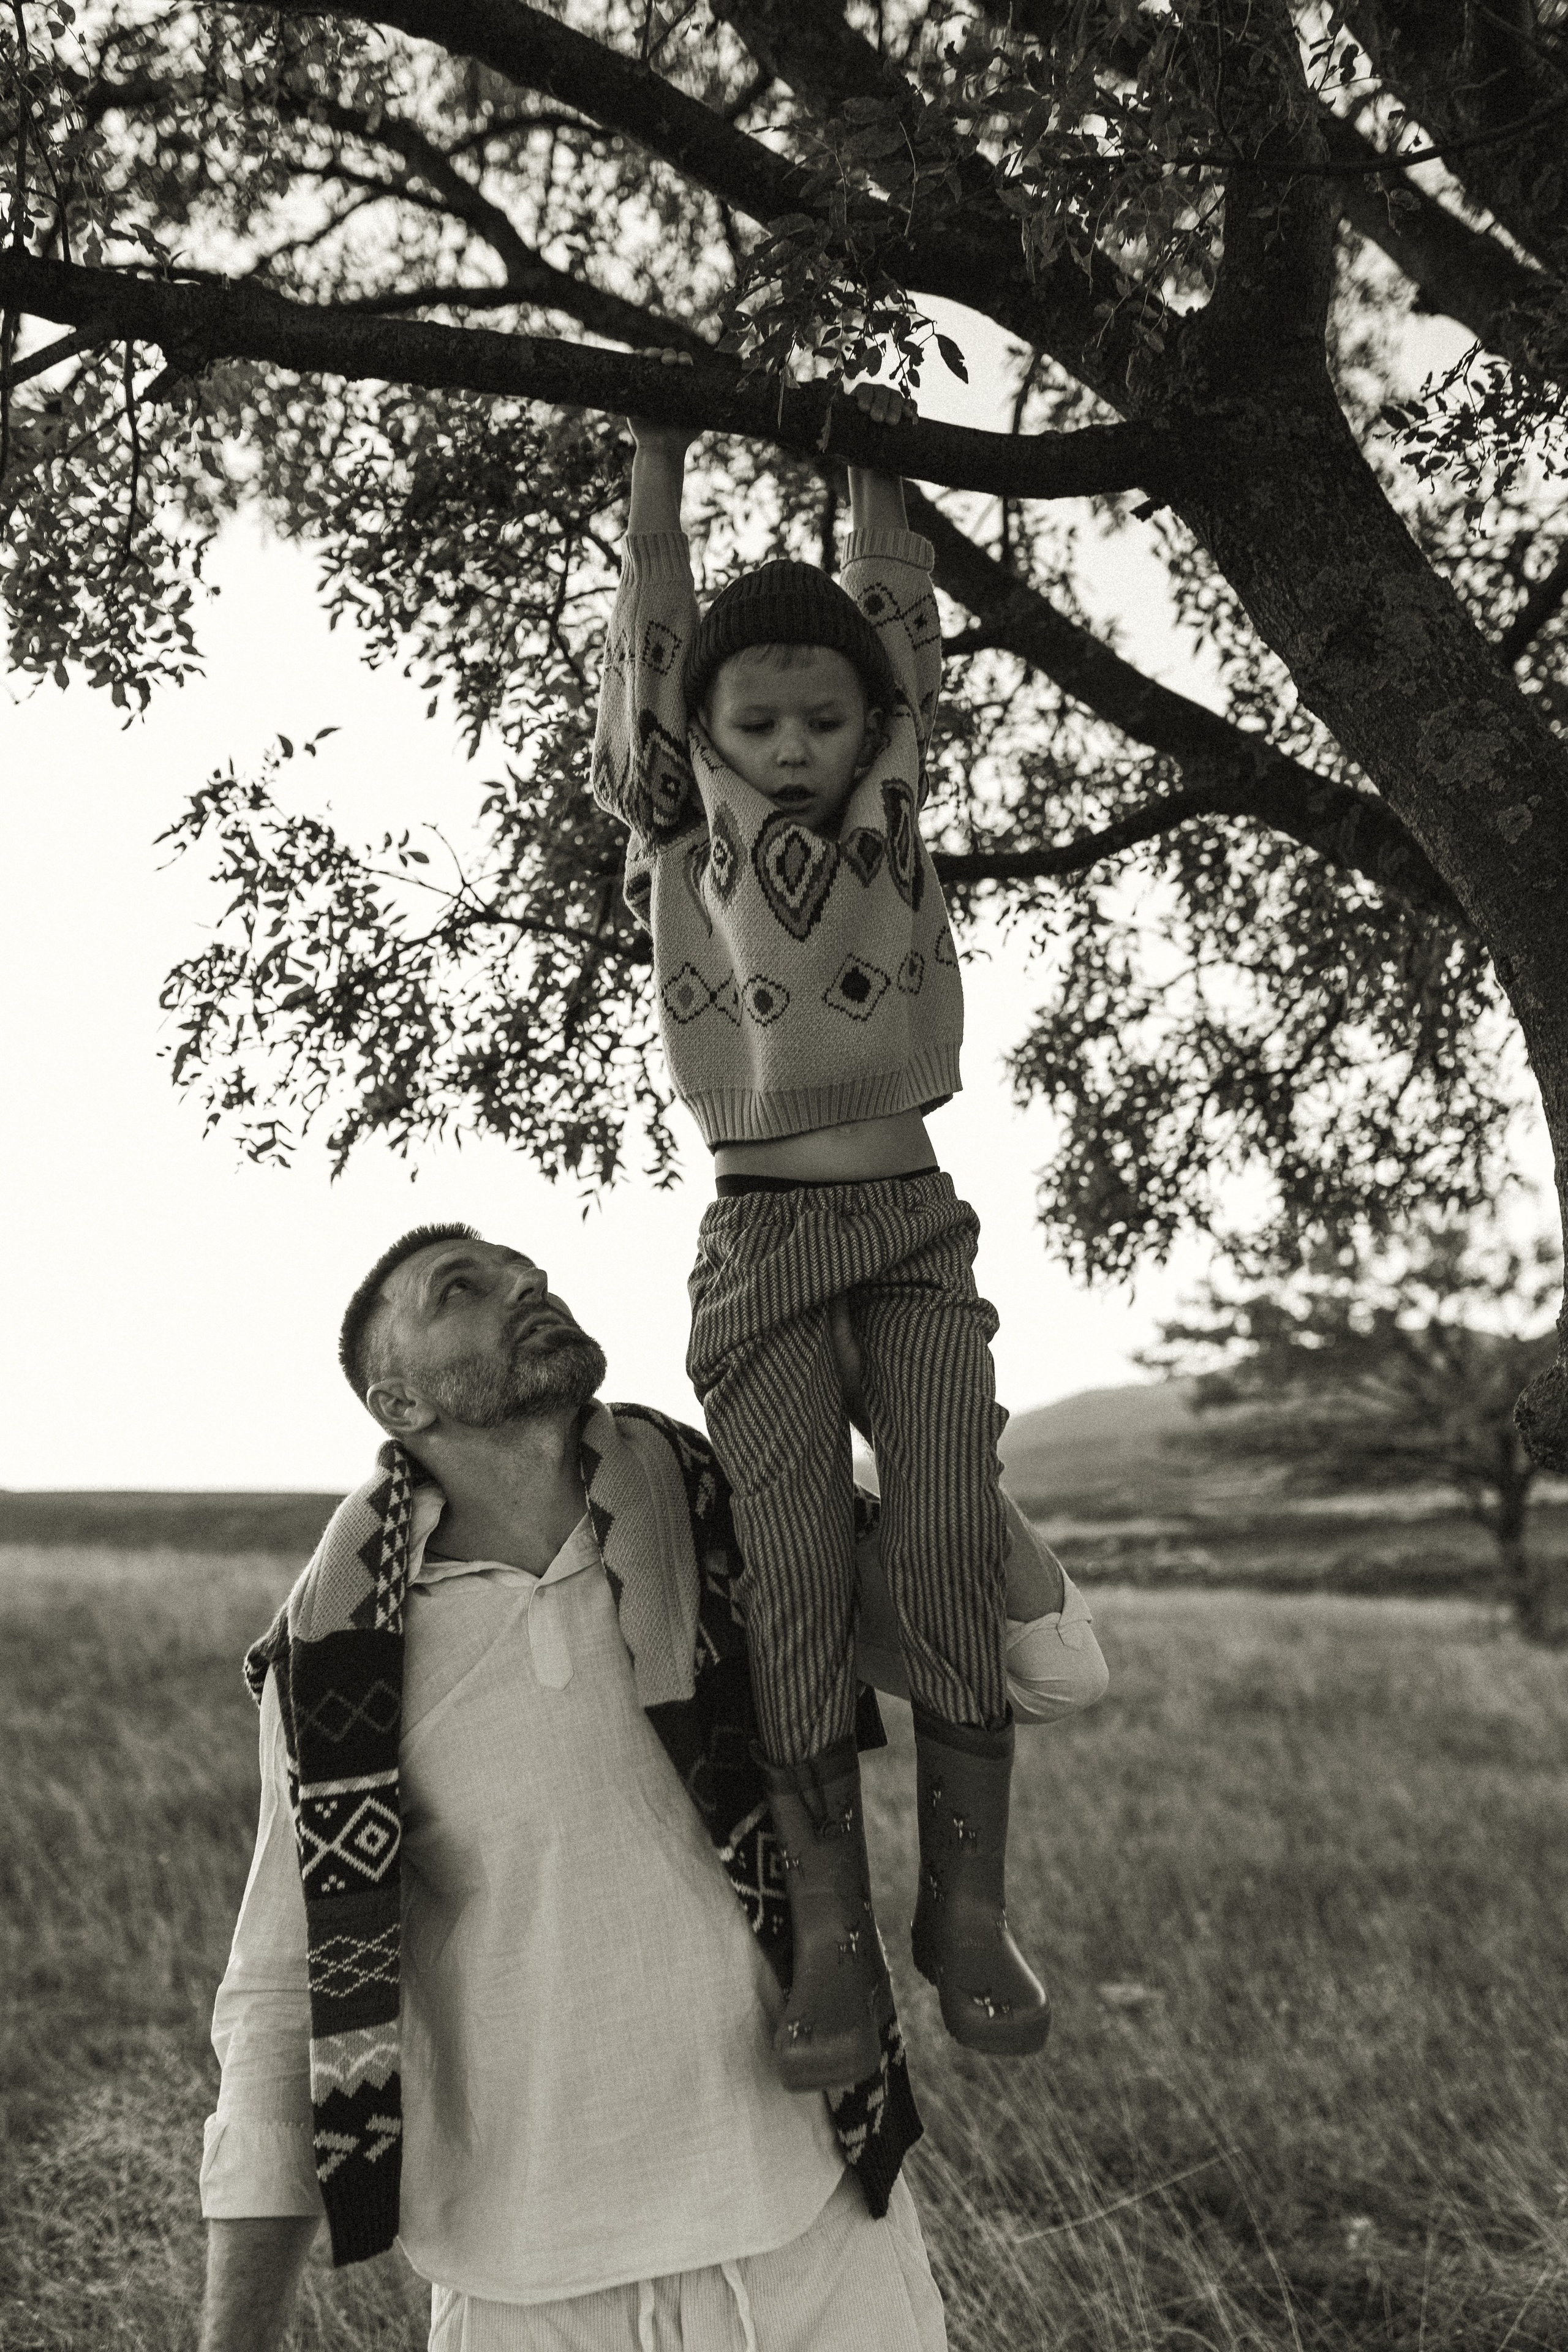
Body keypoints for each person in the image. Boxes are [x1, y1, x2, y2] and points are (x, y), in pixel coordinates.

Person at [198, 1226, 1107, 2352]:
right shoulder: (338, 1656)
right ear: (400, 1403)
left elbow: (1052, 1670)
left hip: (816, 2237)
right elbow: (282, 1990)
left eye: (530, 1273)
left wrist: (923, 1435)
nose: (525, 1288)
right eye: (463, 1291)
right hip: (525, 2290)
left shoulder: (757, 1526)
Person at [590, 364, 1055, 2090]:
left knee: (942, 1534)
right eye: (759, 724)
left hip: (917, 1229)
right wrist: (655, 470)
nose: (794, 747)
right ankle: (836, 1937)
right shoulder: (677, 825)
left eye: (824, 721)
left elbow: (896, 609)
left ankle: (970, 1905)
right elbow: (650, 644)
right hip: (761, 1243)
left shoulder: (893, 808)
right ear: (708, 732)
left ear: (876, 726)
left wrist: (877, 471)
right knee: (786, 1572)